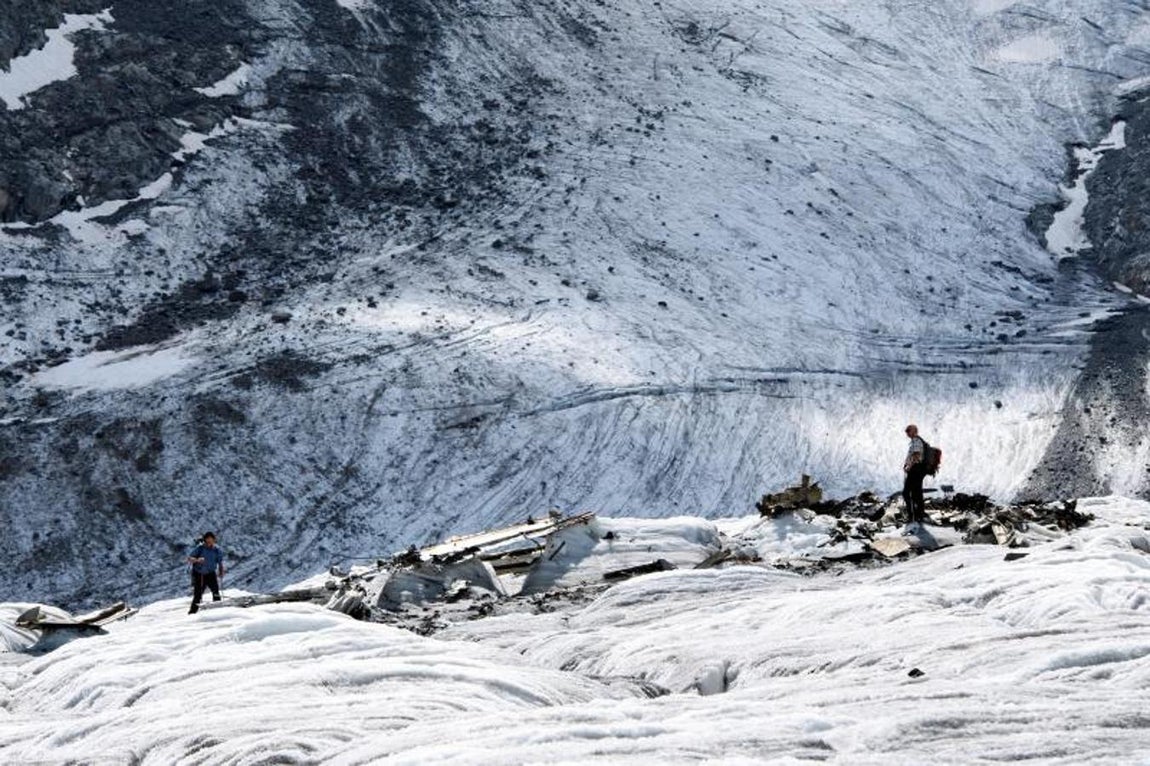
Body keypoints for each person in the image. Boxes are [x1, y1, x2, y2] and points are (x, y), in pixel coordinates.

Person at [187, 532, 225, 614]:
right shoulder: (200, 548)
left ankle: (218, 610)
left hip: (211, 573)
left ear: (214, 541)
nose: (209, 543)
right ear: (204, 541)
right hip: (199, 574)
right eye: (208, 541)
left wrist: (221, 571)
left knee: (216, 592)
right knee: (198, 595)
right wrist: (197, 560)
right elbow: (189, 558)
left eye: (211, 541)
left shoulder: (217, 550)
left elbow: (220, 562)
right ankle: (192, 613)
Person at [902, 424, 929, 524]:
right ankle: (918, 515)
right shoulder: (915, 441)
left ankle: (912, 515)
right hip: (917, 470)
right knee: (916, 493)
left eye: (908, 430)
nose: (907, 432)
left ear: (914, 431)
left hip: (915, 469)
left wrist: (909, 466)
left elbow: (917, 455)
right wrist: (906, 464)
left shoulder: (917, 441)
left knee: (906, 492)